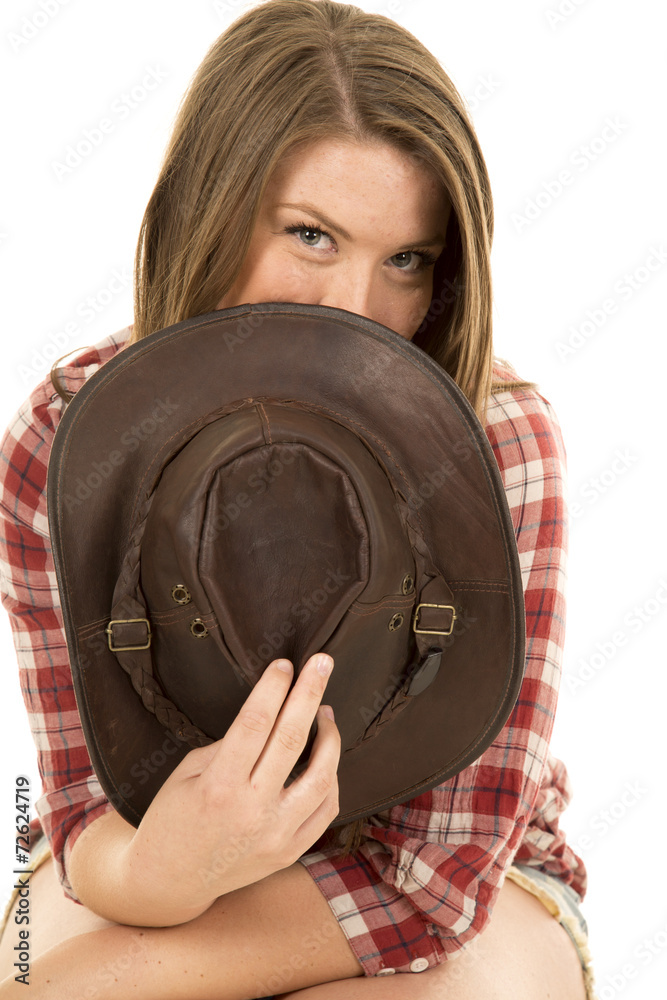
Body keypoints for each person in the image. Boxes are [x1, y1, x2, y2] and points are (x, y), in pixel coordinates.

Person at [0, 1, 596, 997]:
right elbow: (81, 812)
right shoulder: (64, 441)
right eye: (311, 235)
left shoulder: (500, 444)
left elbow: (435, 889)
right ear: (208, 210)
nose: (355, 310)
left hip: (458, 888)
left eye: (405, 260)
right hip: (152, 854)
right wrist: (163, 872)